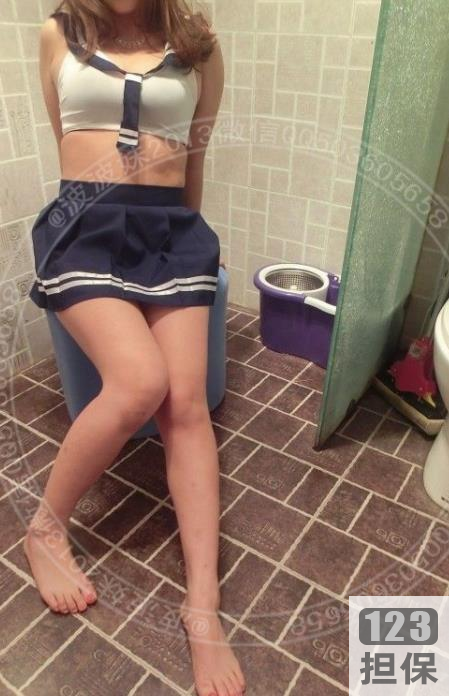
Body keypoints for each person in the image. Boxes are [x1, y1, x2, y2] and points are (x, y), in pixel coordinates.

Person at [24, 2, 246, 695]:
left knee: (187, 405)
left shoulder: (199, 45)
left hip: (170, 232)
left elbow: (194, 156)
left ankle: (203, 607)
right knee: (139, 382)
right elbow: (66, 141)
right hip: (83, 230)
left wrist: (193, 258)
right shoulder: (60, 33)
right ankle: (45, 531)